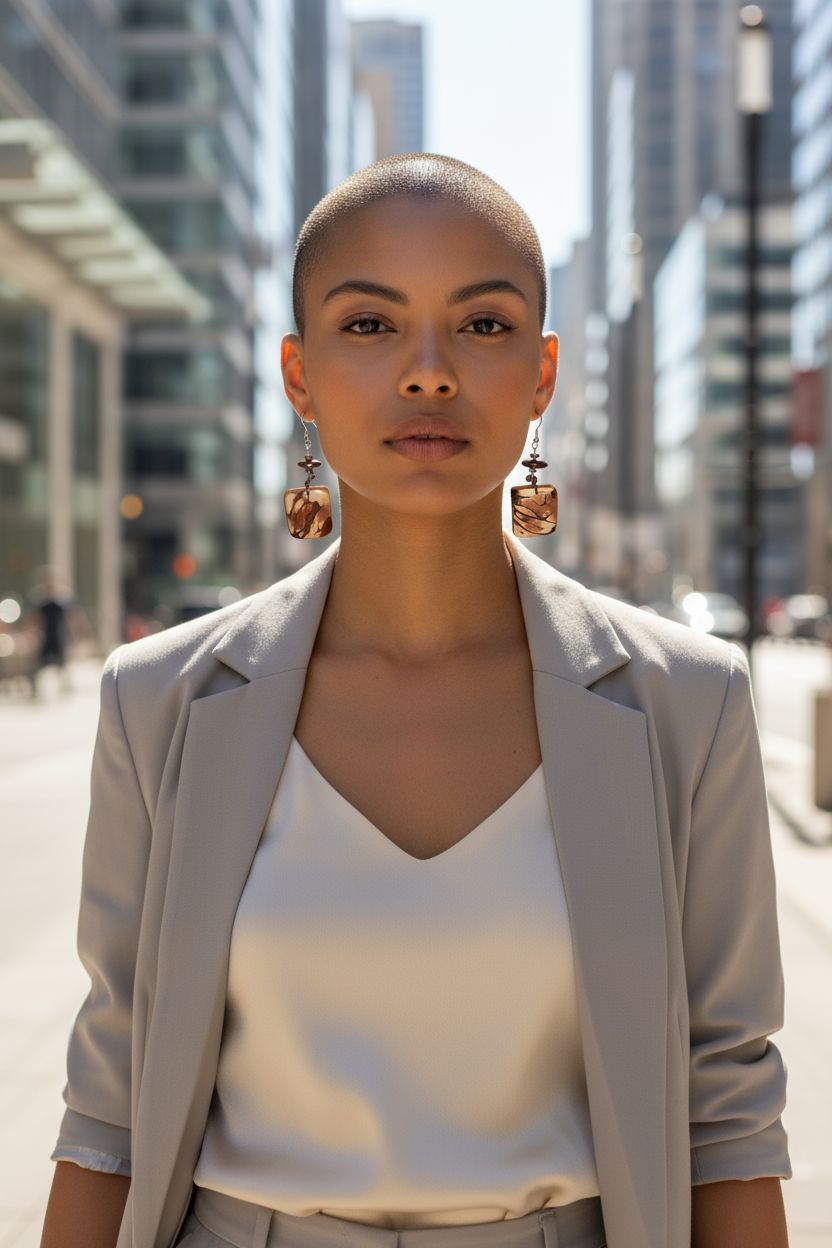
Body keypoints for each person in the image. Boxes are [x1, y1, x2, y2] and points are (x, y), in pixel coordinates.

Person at [40, 155, 791, 1248]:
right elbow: (110, 1105)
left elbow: (725, 1113)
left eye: (482, 325)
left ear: (541, 375)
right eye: (369, 325)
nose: (429, 374)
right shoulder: (160, 700)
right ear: (298, 375)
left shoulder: (689, 704)